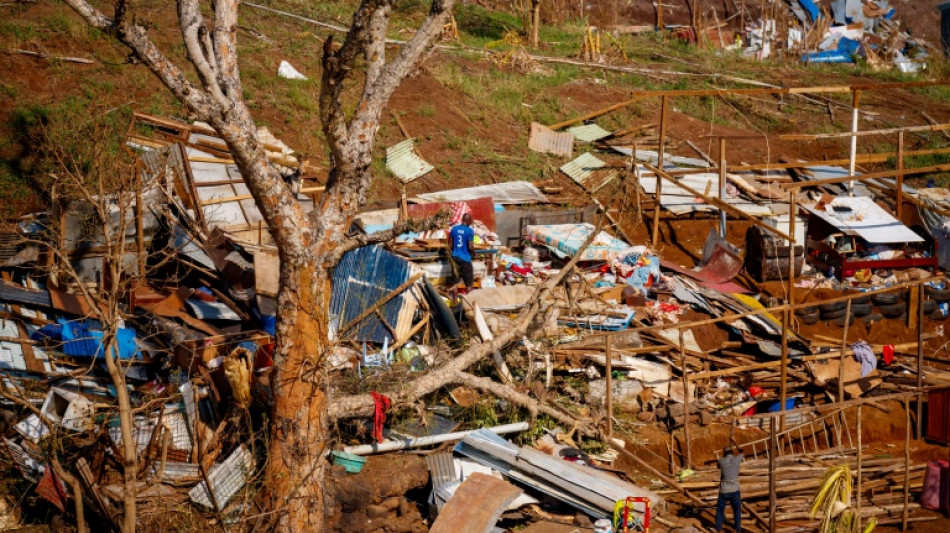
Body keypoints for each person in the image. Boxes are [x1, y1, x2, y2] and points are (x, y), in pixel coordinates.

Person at [715, 440, 743, 533]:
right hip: (735, 489)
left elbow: (718, 467)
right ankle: (737, 529)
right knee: (737, 510)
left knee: (720, 509)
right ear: (732, 452)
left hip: (724, 490)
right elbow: (742, 451)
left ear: (724, 453)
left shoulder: (721, 461)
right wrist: (735, 441)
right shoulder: (736, 459)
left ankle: (718, 528)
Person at [447, 213, 475, 300]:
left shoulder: (454, 229)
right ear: (468, 220)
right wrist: (474, 253)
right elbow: (470, 247)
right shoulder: (469, 231)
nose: (471, 222)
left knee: (455, 283)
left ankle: (455, 303)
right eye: (471, 220)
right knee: (468, 285)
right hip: (465, 259)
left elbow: (450, 245)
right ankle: (471, 305)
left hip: (454, 258)